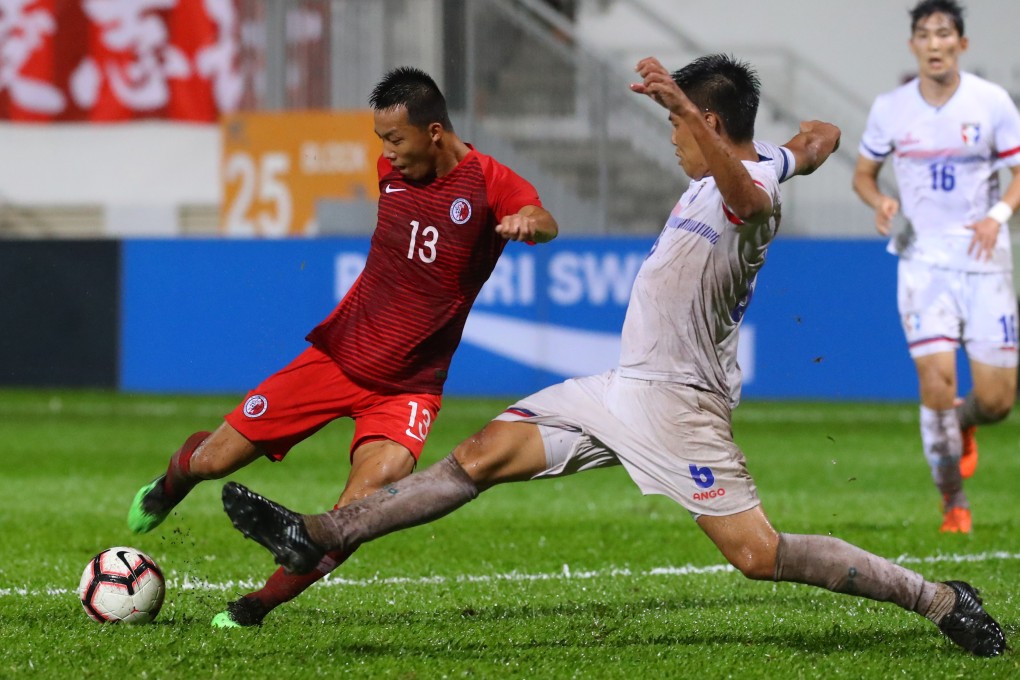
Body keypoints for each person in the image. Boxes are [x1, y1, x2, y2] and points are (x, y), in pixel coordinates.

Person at [221, 55, 1006, 657]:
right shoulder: (767, 157)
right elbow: (819, 137)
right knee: (480, 455)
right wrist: (803, 143)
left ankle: (940, 600)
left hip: (680, 407)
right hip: (621, 387)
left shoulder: (749, 193)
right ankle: (320, 532)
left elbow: (754, 195)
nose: (672, 146)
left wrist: (691, 117)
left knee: (759, 556)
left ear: (701, 120)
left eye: (676, 129)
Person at [125, 66, 559, 627]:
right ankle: (169, 485)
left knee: (360, 509)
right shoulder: (391, 171)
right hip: (335, 359)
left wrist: (529, 223)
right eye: (381, 140)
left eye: (395, 139)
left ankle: (257, 606)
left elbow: (543, 218)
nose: (386, 153)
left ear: (433, 132)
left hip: (408, 389)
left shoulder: (490, 182)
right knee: (213, 460)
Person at [852, 0, 1020, 534]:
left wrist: (997, 216)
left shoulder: (991, 102)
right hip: (922, 264)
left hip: (985, 261)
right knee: (937, 386)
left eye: (944, 33)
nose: (934, 43)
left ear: (961, 44)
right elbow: (863, 173)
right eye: (923, 34)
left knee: (997, 402)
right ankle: (954, 504)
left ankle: (967, 423)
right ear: (913, 46)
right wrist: (877, 200)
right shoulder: (891, 107)